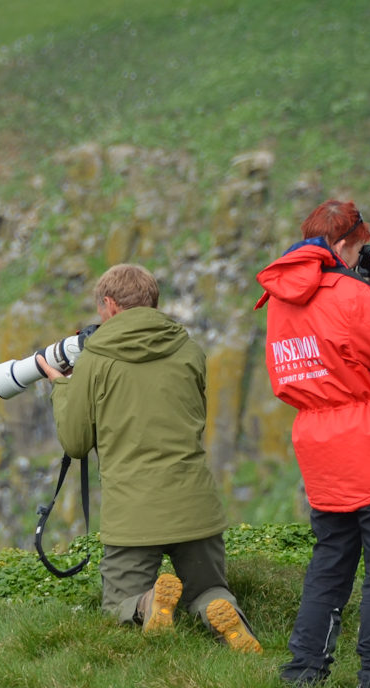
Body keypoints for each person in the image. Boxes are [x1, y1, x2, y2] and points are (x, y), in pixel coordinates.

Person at [39, 263, 261, 653]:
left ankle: (147, 603)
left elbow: (75, 442)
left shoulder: (94, 360)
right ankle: (218, 608)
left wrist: (61, 388)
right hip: (196, 506)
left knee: (117, 604)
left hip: (134, 513)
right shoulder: (189, 350)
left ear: (109, 305)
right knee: (208, 586)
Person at [256, 200, 370, 688]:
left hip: (319, 443)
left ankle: (305, 669)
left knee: (331, 558)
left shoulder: (280, 300)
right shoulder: (350, 293)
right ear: (346, 244)